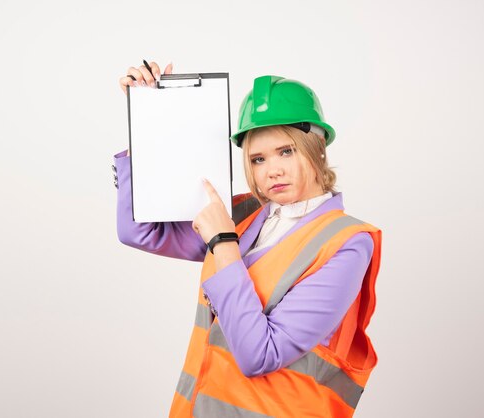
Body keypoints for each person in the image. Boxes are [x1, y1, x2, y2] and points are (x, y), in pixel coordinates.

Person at [113, 61, 382, 418]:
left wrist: (223, 242)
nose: (271, 170)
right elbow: (139, 231)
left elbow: (260, 355)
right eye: (257, 159)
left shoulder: (346, 243)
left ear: (317, 146)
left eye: (286, 151)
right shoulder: (246, 214)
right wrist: (147, 123)